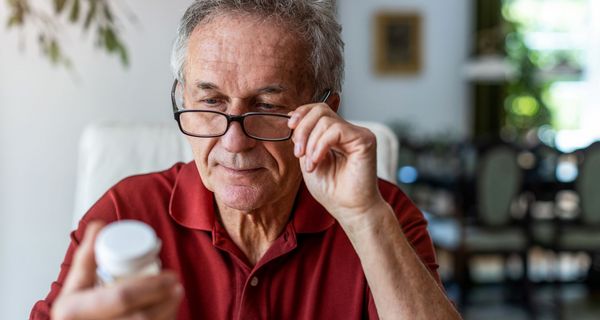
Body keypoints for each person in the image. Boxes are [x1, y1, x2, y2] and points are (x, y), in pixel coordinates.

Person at [31, 0, 461, 319]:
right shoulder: (126, 212)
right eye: (210, 102)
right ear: (182, 99)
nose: (233, 142)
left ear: (326, 110)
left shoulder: (382, 216)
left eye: (269, 107)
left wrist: (366, 218)